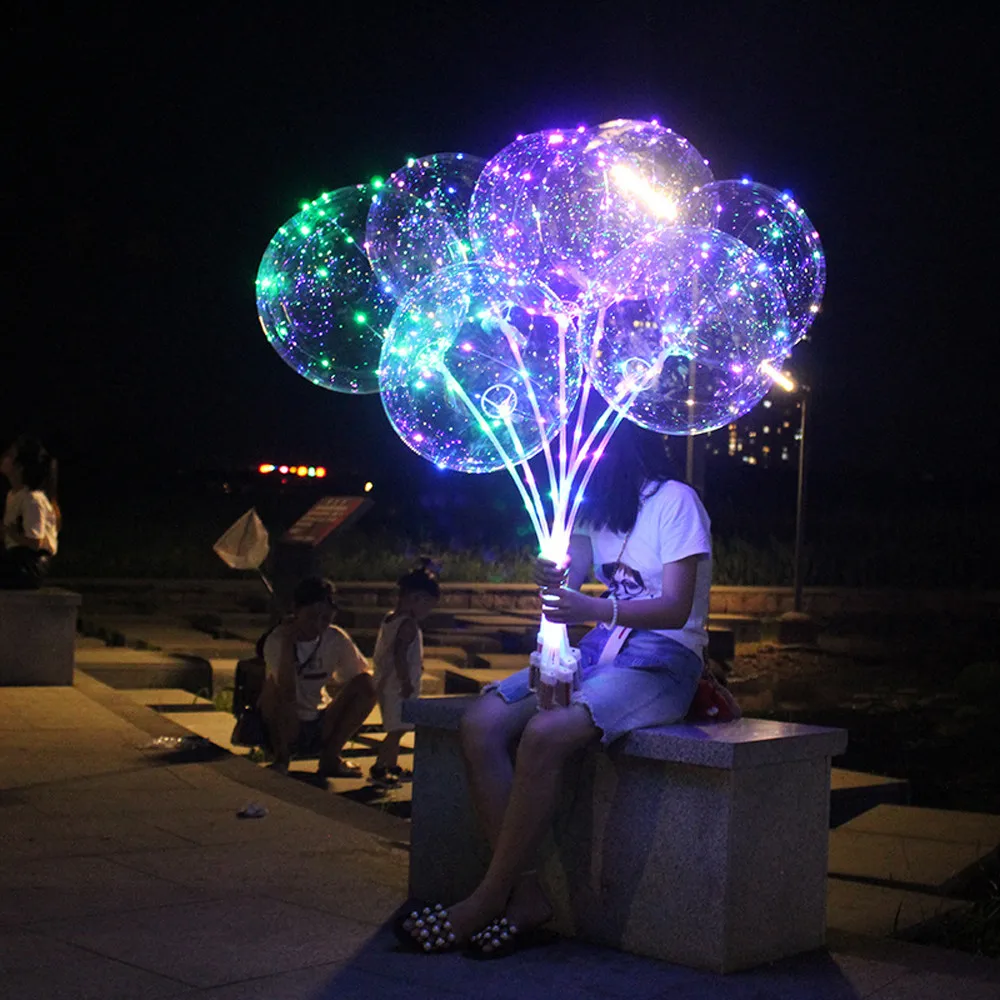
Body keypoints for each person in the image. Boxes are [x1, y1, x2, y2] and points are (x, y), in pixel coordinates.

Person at [397, 421, 711, 955]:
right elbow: (571, 581)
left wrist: (594, 608)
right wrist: (553, 577)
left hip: (665, 659)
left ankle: (486, 897)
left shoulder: (675, 501)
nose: (579, 465)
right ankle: (525, 895)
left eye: (589, 454)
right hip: (600, 647)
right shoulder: (597, 508)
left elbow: (676, 608)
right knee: (482, 722)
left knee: (545, 732)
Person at [257, 576, 377, 779]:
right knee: (272, 687)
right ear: (296, 610)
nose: (318, 624)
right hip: (286, 720)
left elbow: (357, 676)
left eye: (326, 618)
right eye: (312, 617)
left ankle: (331, 757)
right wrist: (288, 645)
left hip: (320, 718)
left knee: (368, 682)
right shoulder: (277, 640)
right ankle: (281, 757)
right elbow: (286, 690)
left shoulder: (335, 638)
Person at [370, 560, 441, 789]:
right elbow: (399, 654)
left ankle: (392, 765)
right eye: (427, 606)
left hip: (386, 684)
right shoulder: (407, 624)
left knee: (398, 727)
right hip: (398, 687)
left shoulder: (390, 619)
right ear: (416, 599)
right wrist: (406, 682)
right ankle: (380, 767)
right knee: (396, 730)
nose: (427, 612)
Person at [0, 435, 60, 590]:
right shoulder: (12, 494)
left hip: (31, 565)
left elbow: (35, 542)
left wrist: (10, 532)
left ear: (20, 466)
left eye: (9, 456)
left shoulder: (32, 499)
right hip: (16, 557)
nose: (4, 457)